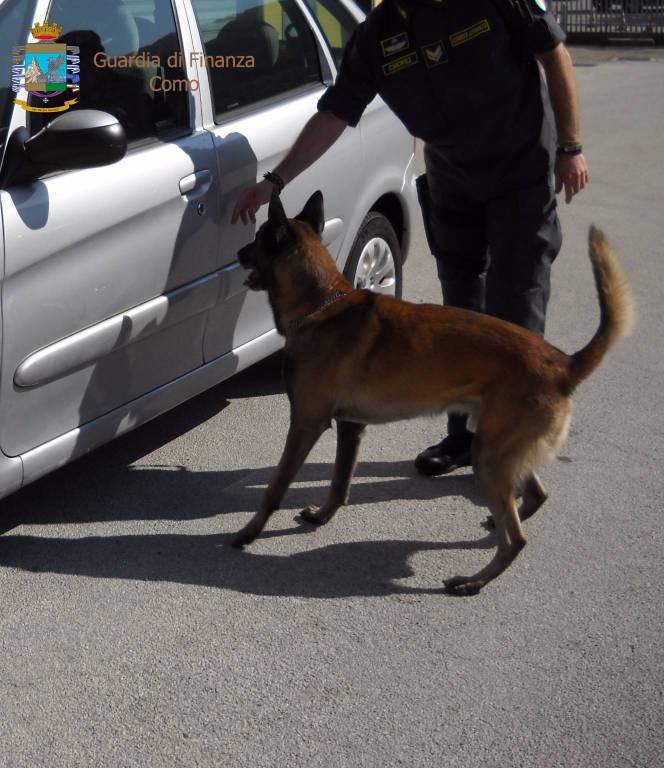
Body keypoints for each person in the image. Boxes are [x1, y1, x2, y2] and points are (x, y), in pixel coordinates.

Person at [232, 0, 589, 476]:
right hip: (452, 178)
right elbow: (335, 113)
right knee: (460, 314)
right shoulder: (376, 36)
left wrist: (570, 146)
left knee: (516, 310)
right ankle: (464, 439)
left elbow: (553, 53)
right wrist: (275, 181)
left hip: (518, 171)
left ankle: (507, 451)